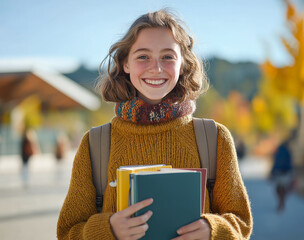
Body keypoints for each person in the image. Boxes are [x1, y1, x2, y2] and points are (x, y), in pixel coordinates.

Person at [57, 9, 252, 239]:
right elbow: (68, 232)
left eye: (168, 56)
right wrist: (108, 230)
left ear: (182, 65)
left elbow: (241, 224)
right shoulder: (96, 144)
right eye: (143, 56)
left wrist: (213, 230)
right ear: (125, 64)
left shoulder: (214, 138)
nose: (156, 68)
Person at [270, 138, 294, 212]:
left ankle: (280, 203)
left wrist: (273, 171)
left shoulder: (278, 151)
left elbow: (276, 162)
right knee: (283, 189)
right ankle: (282, 202)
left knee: (278, 189)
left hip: (279, 172)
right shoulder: (287, 151)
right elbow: (289, 163)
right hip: (285, 172)